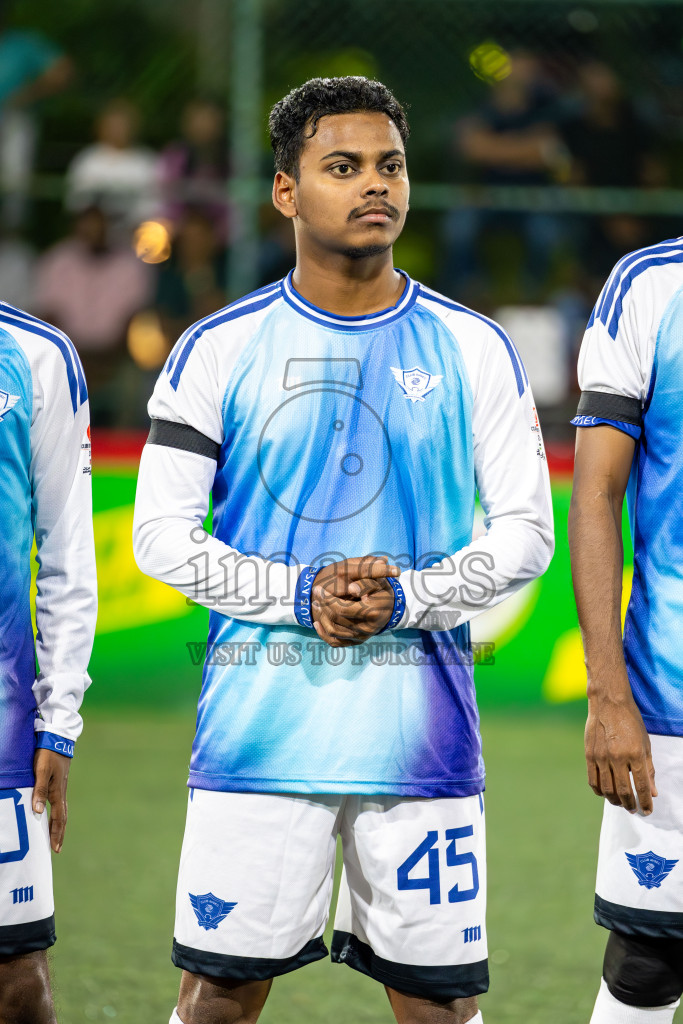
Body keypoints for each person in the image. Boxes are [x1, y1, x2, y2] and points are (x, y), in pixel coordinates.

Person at [133, 76, 554, 1024]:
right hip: (259, 735)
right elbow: (158, 536)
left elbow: (527, 532)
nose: (375, 185)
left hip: (421, 749)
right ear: (286, 192)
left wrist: (404, 598)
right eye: (343, 166)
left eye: (390, 166)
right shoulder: (218, 347)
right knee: (219, 999)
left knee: (438, 1010)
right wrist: (300, 595)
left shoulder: (473, 346)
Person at [569, 236, 683, 1023]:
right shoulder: (651, 285)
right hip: (672, 690)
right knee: (647, 962)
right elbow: (596, 494)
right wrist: (608, 696)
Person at [0, 304, 96, 1020]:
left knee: (17, 974)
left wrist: (57, 720)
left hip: (2, 726)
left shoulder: (36, 355)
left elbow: (66, 552)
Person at [34, 203, 155, 426]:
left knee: (134, 383)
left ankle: (122, 449)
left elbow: (134, 323)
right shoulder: (58, 261)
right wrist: (76, 360)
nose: (94, 231)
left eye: (100, 225)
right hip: (67, 358)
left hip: (114, 359)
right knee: (39, 377)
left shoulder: (130, 266)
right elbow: (48, 319)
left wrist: (103, 362)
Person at [65, 98, 159, 236]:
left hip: (136, 236)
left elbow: (154, 204)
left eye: (123, 124)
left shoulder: (147, 161)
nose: (118, 129)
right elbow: (76, 202)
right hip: (94, 238)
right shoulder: (87, 160)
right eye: (113, 124)